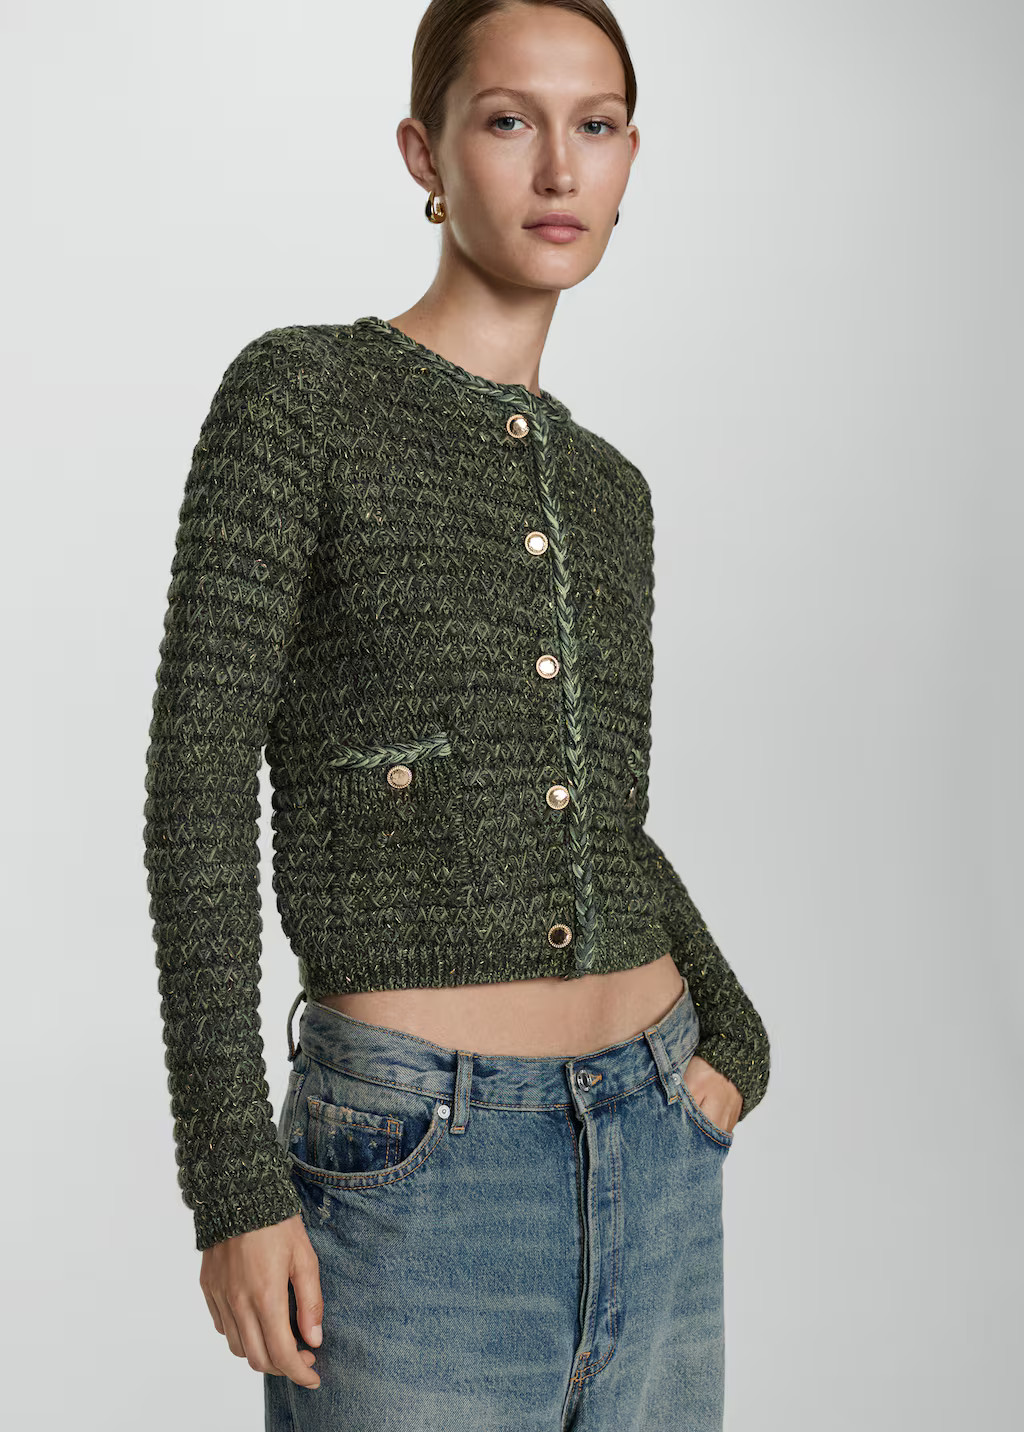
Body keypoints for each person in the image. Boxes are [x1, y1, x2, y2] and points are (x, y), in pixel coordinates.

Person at [142, 2, 771, 1428]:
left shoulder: (612, 494)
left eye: (595, 125)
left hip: (657, 1151)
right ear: (424, 153)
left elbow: (607, 831)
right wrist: (233, 1183)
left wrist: (733, 1039)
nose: (558, 167)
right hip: (417, 1170)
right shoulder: (303, 397)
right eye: (507, 120)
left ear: (629, 160)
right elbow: (197, 784)